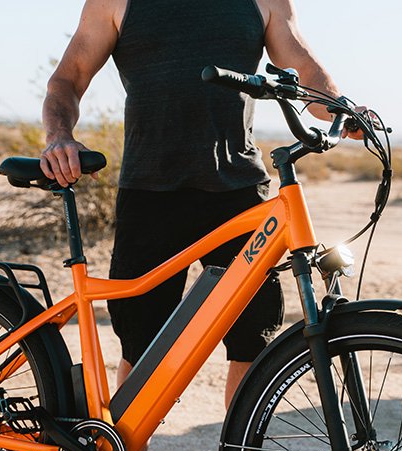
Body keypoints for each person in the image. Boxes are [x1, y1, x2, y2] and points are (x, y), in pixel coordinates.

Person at [41, 0, 355, 420]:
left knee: (252, 341)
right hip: (151, 192)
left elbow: (305, 69)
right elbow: (69, 78)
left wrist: (341, 105)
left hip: (239, 191)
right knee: (143, 346)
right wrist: (59, 135)